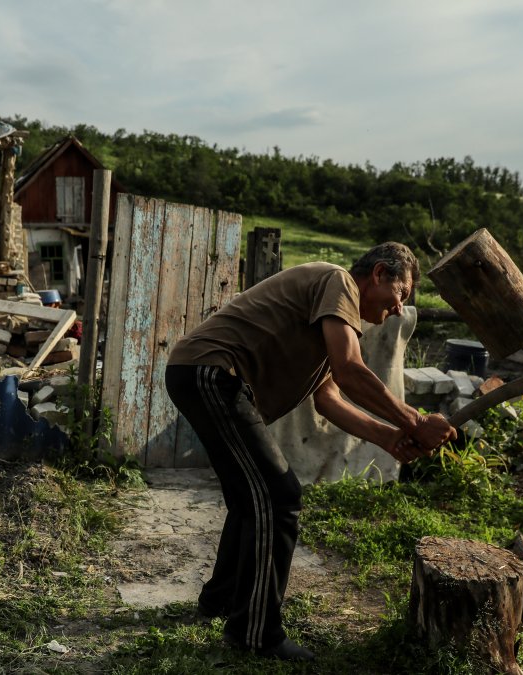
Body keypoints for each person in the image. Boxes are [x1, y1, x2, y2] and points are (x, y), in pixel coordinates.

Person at [164, 241, 457, 661]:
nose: (398, 309)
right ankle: (256, 634)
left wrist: (389, 438)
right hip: (213, 373)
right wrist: (414, 421)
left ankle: (221, 602)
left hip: (202, 374)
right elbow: (351, 371)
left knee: (251, 500)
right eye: (401, 294)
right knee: (279, 497)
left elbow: (329, 399)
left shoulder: (330, 320)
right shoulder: (338, 282)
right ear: (378, 274)